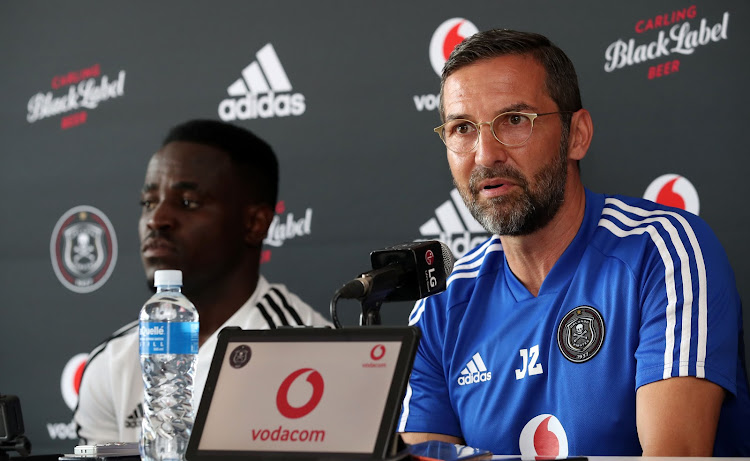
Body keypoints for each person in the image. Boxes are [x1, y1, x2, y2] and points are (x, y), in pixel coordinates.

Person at [398, 29, 750, 457]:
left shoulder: (664, 253)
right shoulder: (440, 304)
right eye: (463, 128)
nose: (486, 153)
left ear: (577, 134)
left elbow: (674, 457)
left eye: (514, 120)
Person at [74, 119, 331, 443]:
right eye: (149, 203)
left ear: (255, 223)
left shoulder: (313, 352)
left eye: (187, 203)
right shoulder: (113, 364)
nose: (157, 219)